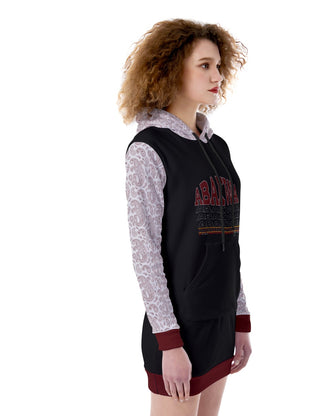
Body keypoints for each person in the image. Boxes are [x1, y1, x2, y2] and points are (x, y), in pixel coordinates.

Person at [119, 19, 252, 416]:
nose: (217, 76)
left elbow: (229, 243)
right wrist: (169, 342)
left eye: (218, 65)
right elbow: (145, 253)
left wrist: (240, 319)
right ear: (172, 69)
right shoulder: (148, 149)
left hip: (220, 322)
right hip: (181, 329)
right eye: (204, 65)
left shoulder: (218, 147)